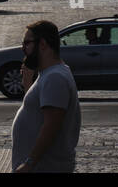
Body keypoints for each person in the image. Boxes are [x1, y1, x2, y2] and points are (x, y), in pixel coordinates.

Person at [11, 21, 82, 172]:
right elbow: (37, 112)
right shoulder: (48, 74)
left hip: (45, 167)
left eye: (27, 43)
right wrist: (27, 83)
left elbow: (52, 125)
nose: (23, 48)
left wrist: (30, 163)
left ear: (42, 44)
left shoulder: (55, 77)